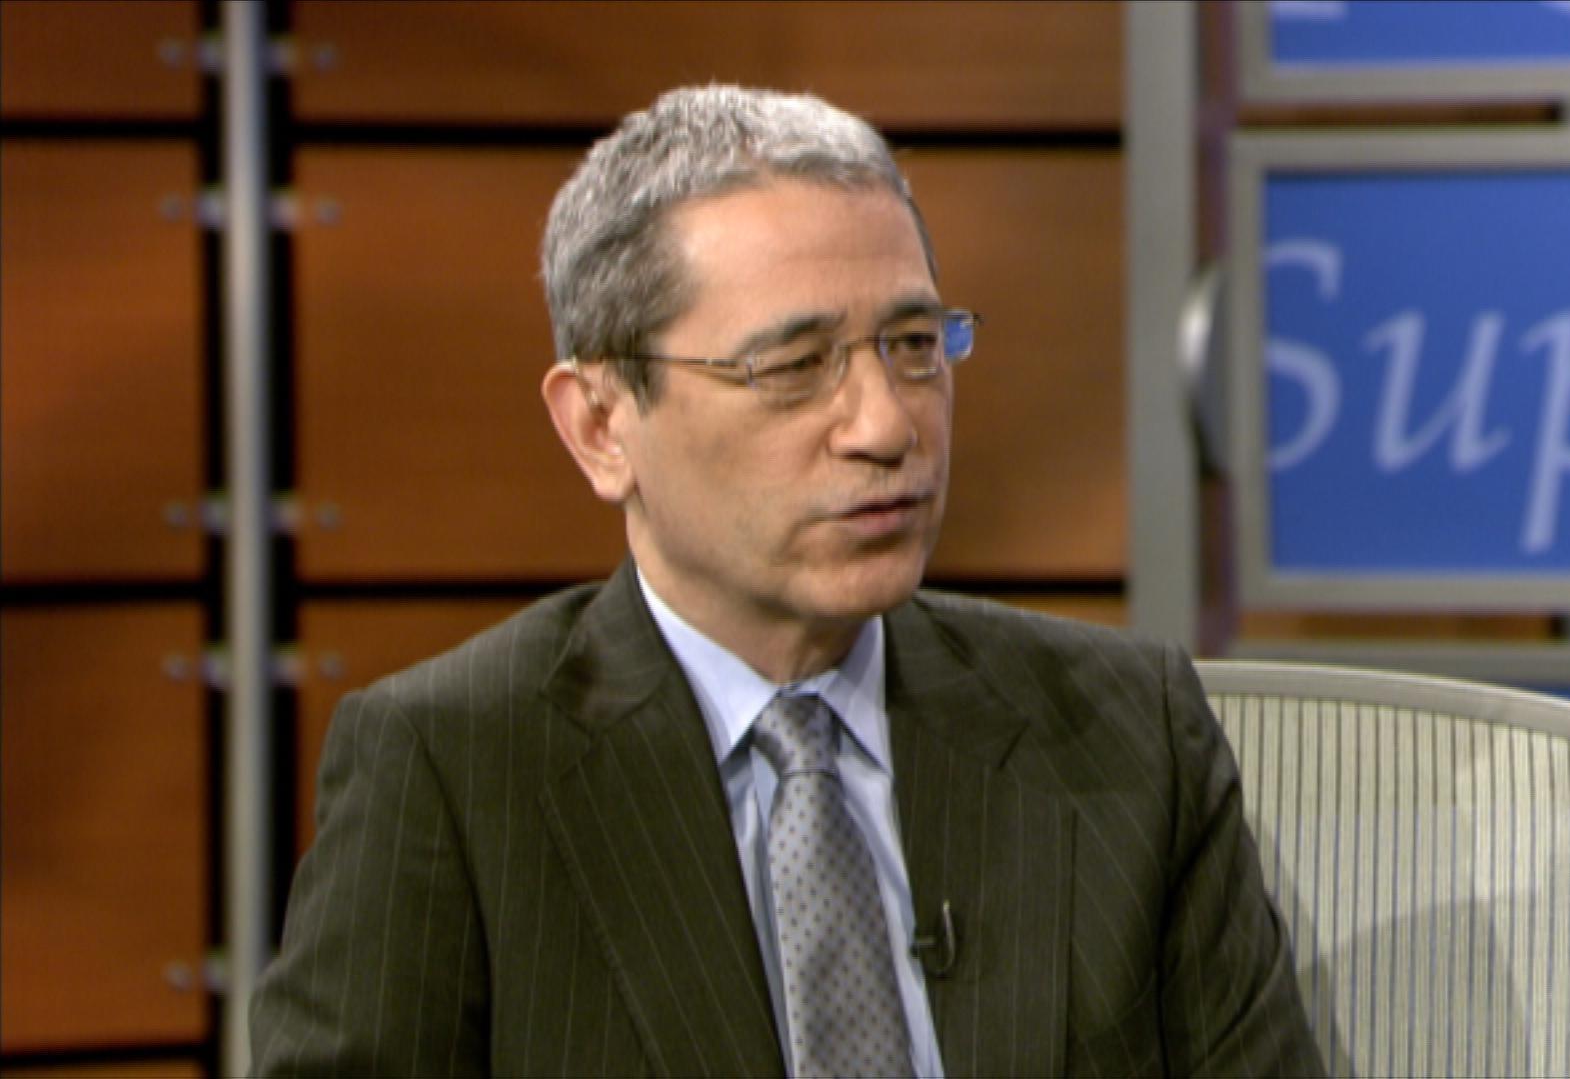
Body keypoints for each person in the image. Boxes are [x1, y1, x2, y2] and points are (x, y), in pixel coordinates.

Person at [250, 84, 1322, 1079]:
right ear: (602, 425)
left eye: (913, 344)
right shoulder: (456, 770)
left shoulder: (1128, 731)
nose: (886, 426)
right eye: (795, 367)